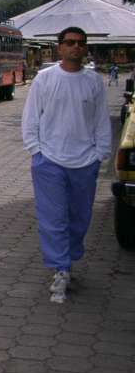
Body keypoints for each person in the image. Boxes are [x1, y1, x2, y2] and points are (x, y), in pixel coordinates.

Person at [21, 27, 112, 304]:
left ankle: (69, 260)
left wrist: (100, 155)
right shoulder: (45, 79)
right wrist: (36, 151)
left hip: (85, 162)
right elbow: (31, 117)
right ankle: (60, 269)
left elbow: (100, 120)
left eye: (80, 44)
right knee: (53, 219)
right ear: (59, 47)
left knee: (79, 218)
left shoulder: (94, 82)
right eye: (70, 43)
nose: (75, 47)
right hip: (49, 160)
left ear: (85, 49)